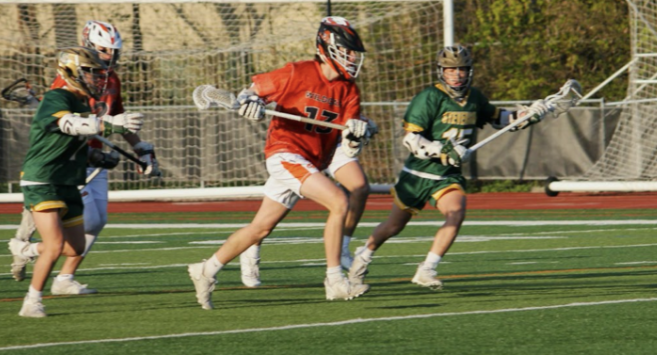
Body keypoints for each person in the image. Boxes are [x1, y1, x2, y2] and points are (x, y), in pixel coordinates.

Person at [188, 16, 371, 309]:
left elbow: (347, 150)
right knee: (339, 201)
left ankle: (205, 270)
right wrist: (250, 102)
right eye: (347, 51)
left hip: (312, 160)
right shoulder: (298, 72)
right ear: (327, 48)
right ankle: (335, 279)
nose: (352, 58)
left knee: (260, 228)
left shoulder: (349, 90)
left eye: (353, 53)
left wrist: (355, 136)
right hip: (285, 153)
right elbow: (252, 91)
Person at [347, 44, 550, 290]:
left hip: (447, 175)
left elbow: (499, 119)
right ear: (441, 71)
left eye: (461, 69)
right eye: (450, 70)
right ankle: (364, 254)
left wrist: (527, 115)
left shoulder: (475, 97)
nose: (456, 75)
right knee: (393, 226)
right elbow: (411, 140)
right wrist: (443, 150)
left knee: (456, 212)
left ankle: (427, 268)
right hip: (419, 173)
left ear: (469, 71)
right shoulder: (429, 97)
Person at [9, 21, 160, 296]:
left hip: (92, 155)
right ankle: (26, 246)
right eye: (104, 50)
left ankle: (65, 277)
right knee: (81, 219)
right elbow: (61, 121)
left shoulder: (110, 79)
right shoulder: (68, 80)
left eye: (114, 52)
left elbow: (117, 114)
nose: (110, 58)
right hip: (71, 156)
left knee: (97, 221)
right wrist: (98, 135)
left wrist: (140, 147)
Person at [237, 116, 378, 287]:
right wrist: (252, 99)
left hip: (335, 142)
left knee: (360, 187)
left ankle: (342, 248)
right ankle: (250, 249)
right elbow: (268, 93)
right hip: (302, 144)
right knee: (268, 220)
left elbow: (348, 108)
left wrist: (359, 122)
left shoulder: (347, 89)